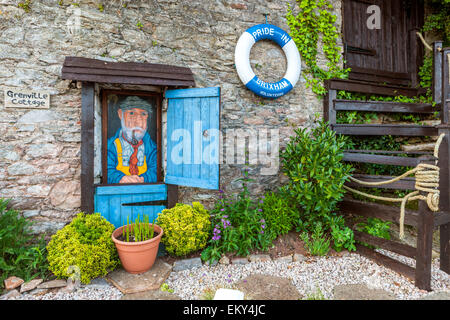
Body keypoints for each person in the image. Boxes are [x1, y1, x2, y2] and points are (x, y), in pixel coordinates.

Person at [107, 96, 157, 184]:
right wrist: (120, 178)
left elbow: (156, 170)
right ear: (120, 114)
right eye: (131, 113)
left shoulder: (152, 148)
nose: (138, 121)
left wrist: (143, 179)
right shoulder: (111, 146)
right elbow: (106, 169)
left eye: (143, 114)